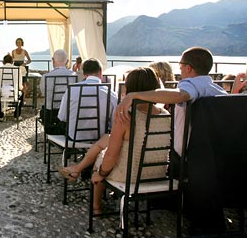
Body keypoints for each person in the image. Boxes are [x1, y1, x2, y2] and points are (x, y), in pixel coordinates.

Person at [59, 67, 170, 214]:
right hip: (157, 173)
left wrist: (101, 173)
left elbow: (111, 155)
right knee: (107, 139)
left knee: (102, 159)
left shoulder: (125, 117)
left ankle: (96, 207)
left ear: (130, 88)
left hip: (131, 174)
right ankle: (78, 169)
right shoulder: (166, 115)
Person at [115, 47, 227, 173]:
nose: (180, 69)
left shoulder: (190, 84)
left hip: (183, 159)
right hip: (214, 154)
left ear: (188, 68)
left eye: (180, 65)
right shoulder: (219, 91)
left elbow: (181, 95)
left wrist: (134, 95)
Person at [58, 58, 117, 141]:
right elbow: (114, 123)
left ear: (84, 74)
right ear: (101, 72)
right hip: (100, 140)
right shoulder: (111, 94)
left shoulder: (72, 89)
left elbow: (62, 117)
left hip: (74, 138)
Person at [39, 49, 76, 134]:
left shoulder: (46, 77)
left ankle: (51, 132)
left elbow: (44, 93)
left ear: (53, 60)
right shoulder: (74, 76)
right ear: (67, 61)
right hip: (68, 112)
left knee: (43, 110)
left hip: (51, 112)